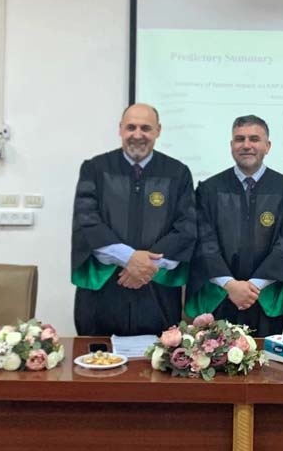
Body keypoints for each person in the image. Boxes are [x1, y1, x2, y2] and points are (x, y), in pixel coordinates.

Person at [71, 103, 197, 336]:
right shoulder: (95, 169)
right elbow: (87, 220)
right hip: (104, 289)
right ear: (120, 129)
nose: (137, 135)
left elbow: (185, 227)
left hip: (157, 291)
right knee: (97, 352)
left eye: (145, 128)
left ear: (158, 131)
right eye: (131, 127)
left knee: (159, 353)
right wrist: (130, 258)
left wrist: (145, 266)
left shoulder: (177, 173)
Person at [186, 115, 283, 337]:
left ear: (267, 146)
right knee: (216, 355)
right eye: (240, 139)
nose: (246, 145)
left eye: (254, 139)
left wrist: (254, 286)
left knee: (268, 358)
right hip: (220, 297)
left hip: (267, 298)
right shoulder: (209, 190)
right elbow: (204, 242)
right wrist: (231, 285)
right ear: (231, 145)